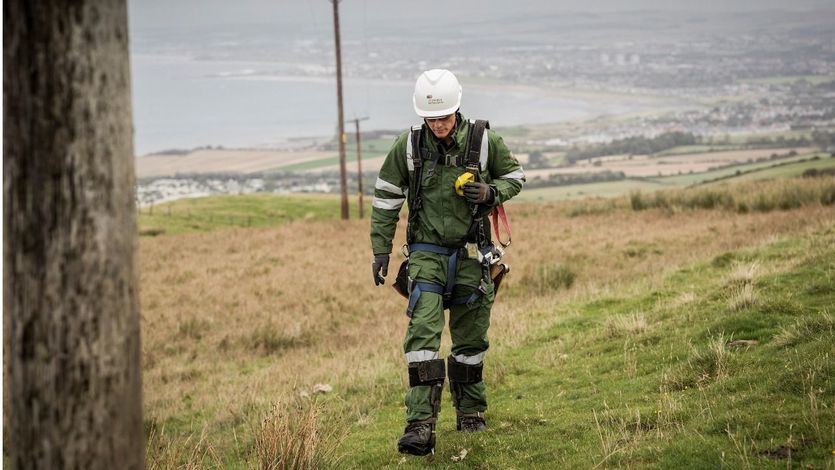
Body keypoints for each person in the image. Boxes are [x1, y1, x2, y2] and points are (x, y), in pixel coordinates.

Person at [370, 69, 525, 456]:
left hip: (473, 254)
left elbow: (516, 175)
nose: (438, 125)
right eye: (431, 118)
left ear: (456, 109)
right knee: (422, 337)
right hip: (425, 255)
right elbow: (386, 199)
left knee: (470, 340)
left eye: (444, 117)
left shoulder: (484, 141)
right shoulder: (407, 147)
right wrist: (380, 251)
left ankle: (470, 412)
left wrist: (492, 191)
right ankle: (420, 426)